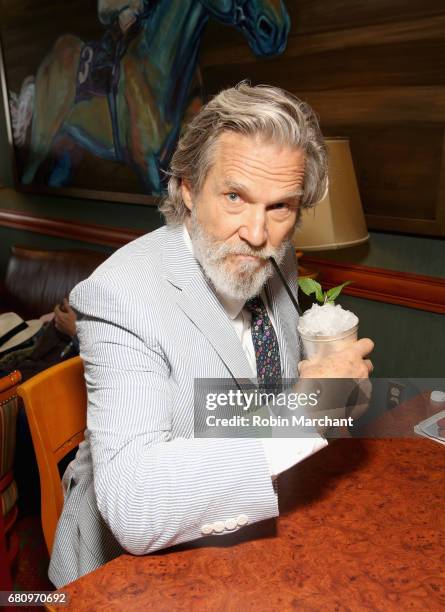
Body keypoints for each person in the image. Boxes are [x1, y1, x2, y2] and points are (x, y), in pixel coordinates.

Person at [49, 83, 374, 587]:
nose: (257, 233)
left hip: (250, 542)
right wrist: (303, 413)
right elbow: (134, 507)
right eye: (234, 196)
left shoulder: (274, 254)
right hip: (126, 577)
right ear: (186, 186)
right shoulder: (121, 294)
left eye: (281, 207)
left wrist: (332, 390)